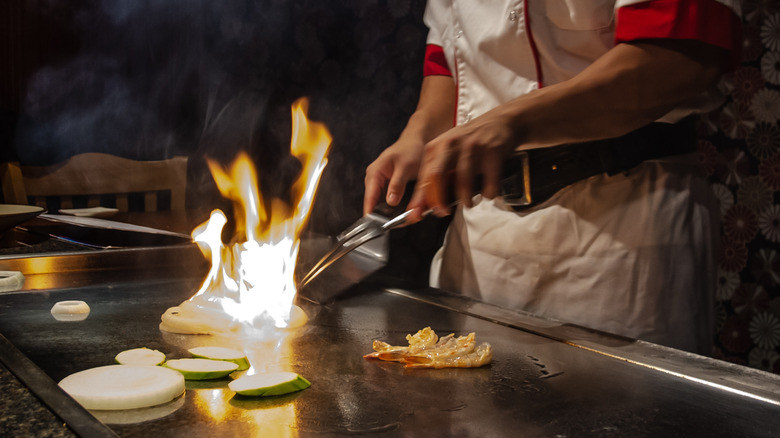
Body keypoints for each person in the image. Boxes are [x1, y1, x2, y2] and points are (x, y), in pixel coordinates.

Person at [363, 0, 742, 355]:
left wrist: (514, 121)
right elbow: (453, 55)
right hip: (480, 239)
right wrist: (420, 130)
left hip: (620, 232)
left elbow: (682, 57)